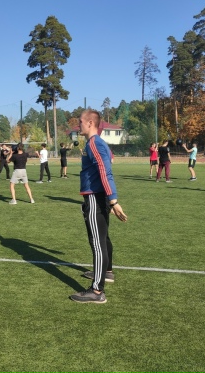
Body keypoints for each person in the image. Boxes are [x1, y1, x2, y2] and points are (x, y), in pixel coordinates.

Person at [70, 110, 127, 304]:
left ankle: (96, 291)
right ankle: (107, 272)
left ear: (90, 123)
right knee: (103, 237)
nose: (78, 125)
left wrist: (113, 201)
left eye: (80, 122)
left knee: (97, 242)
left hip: (95, 196)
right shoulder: (95, 143)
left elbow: (105, 171)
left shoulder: (94, 143)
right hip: (97, 196)